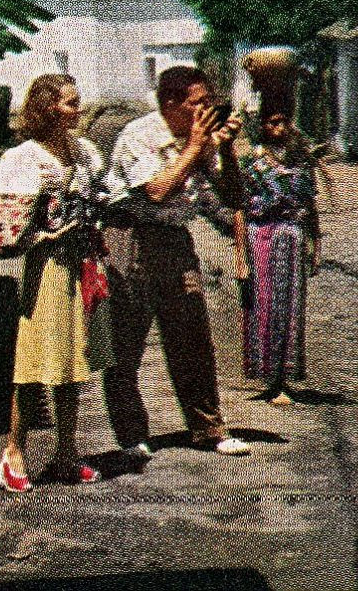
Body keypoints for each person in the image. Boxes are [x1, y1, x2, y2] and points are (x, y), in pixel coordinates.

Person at [100, 65, 251, 457]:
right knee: (127, 340)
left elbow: (234, 198)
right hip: (130, 235)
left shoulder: (202, 138)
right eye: (197, 103)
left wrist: (227, 148)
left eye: (209, 103)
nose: (205, 111)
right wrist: (194, 149)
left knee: (192, 335)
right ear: (171, 103)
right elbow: (155, 190)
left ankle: (208, 429)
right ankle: (132, 435)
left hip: (173, 239)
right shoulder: (140, 135)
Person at [0, 74, 114, 491]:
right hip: (48, 267)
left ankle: (66, 452)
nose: (77, 109)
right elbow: (7, 229)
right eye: (70, 103)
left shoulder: (84, 151)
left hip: (82, 263)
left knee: (74, 361)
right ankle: (14, 450)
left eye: (77, 102)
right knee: (35, 362)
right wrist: (44, 234)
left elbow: (103, 193)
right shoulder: (24, 157)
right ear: (47, 108)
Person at [234, 101, 321, 405]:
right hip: (261, 235)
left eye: (283, 121)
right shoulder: (252, 163)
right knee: (263, 305)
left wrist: (315, 244)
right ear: (262, 126)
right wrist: (239, 256)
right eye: (271, 122)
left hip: (292, 236)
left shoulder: (300, 163)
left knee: (290, 306)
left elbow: (310, 207)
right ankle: (269, 377)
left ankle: (284, 378)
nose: (278, 128)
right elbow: (240, 210)